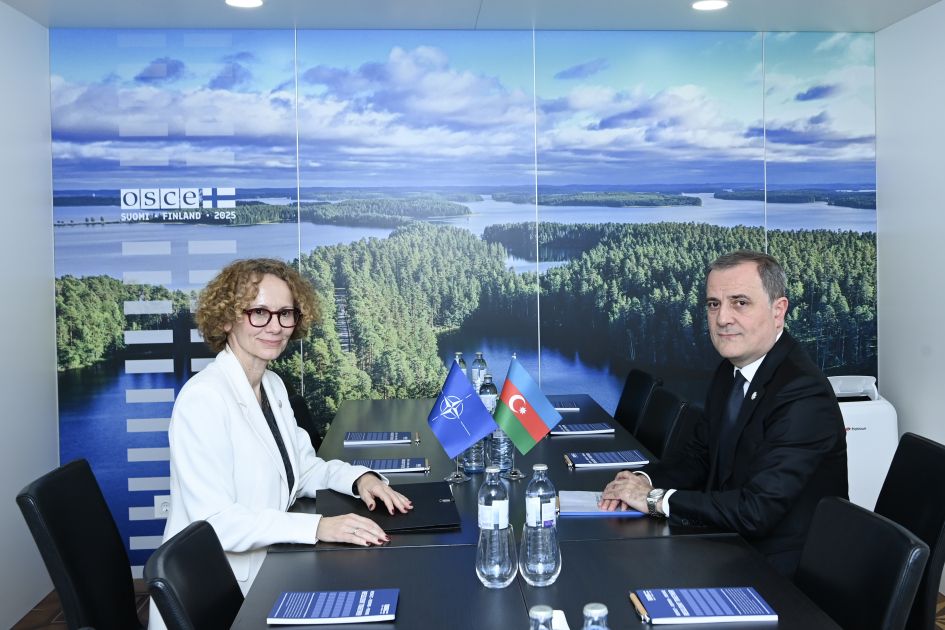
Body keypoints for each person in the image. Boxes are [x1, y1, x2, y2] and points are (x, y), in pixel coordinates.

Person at [149, 258, 411, 628]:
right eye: (259, 312)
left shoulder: (271, 385)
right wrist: (317, 527)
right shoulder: (203, 399)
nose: (275, 326)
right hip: (219, 596)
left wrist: (359, 479)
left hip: (271, 566)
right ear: (226, 320)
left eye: (285, 313)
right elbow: (216, 523)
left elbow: (302, 470)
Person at [600, 250, 847, 577]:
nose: (722, 318)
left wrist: (654, 499)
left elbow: (756, 511)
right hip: (727, 546)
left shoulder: (803, 393)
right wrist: (640, 480)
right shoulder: (729, 372)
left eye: (740, 303)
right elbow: (698, 458)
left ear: (778, 311)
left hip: (785, 575)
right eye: (713, 304)